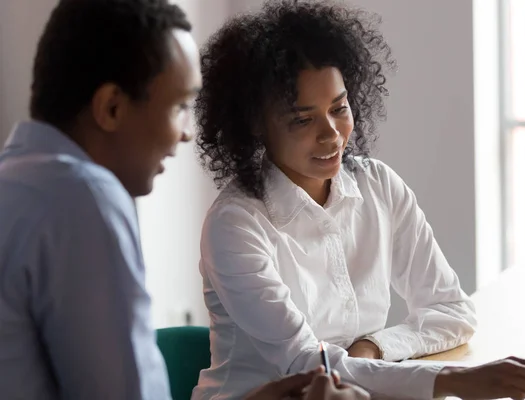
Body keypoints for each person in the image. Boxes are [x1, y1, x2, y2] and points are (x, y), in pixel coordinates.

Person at [0, 0, 367, 399]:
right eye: (178, 107)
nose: (187, 133)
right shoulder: (85, 198)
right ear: (112, 108)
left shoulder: (17, 183)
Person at [193, 1, 525, 399]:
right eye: (303, 119)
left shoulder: (379, 186)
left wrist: (375, 347)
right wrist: (448, 379)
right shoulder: (236, 224)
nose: (331, 134)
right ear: (255, 123)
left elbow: (452, 310)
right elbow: (308, 366)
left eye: (339, 108)